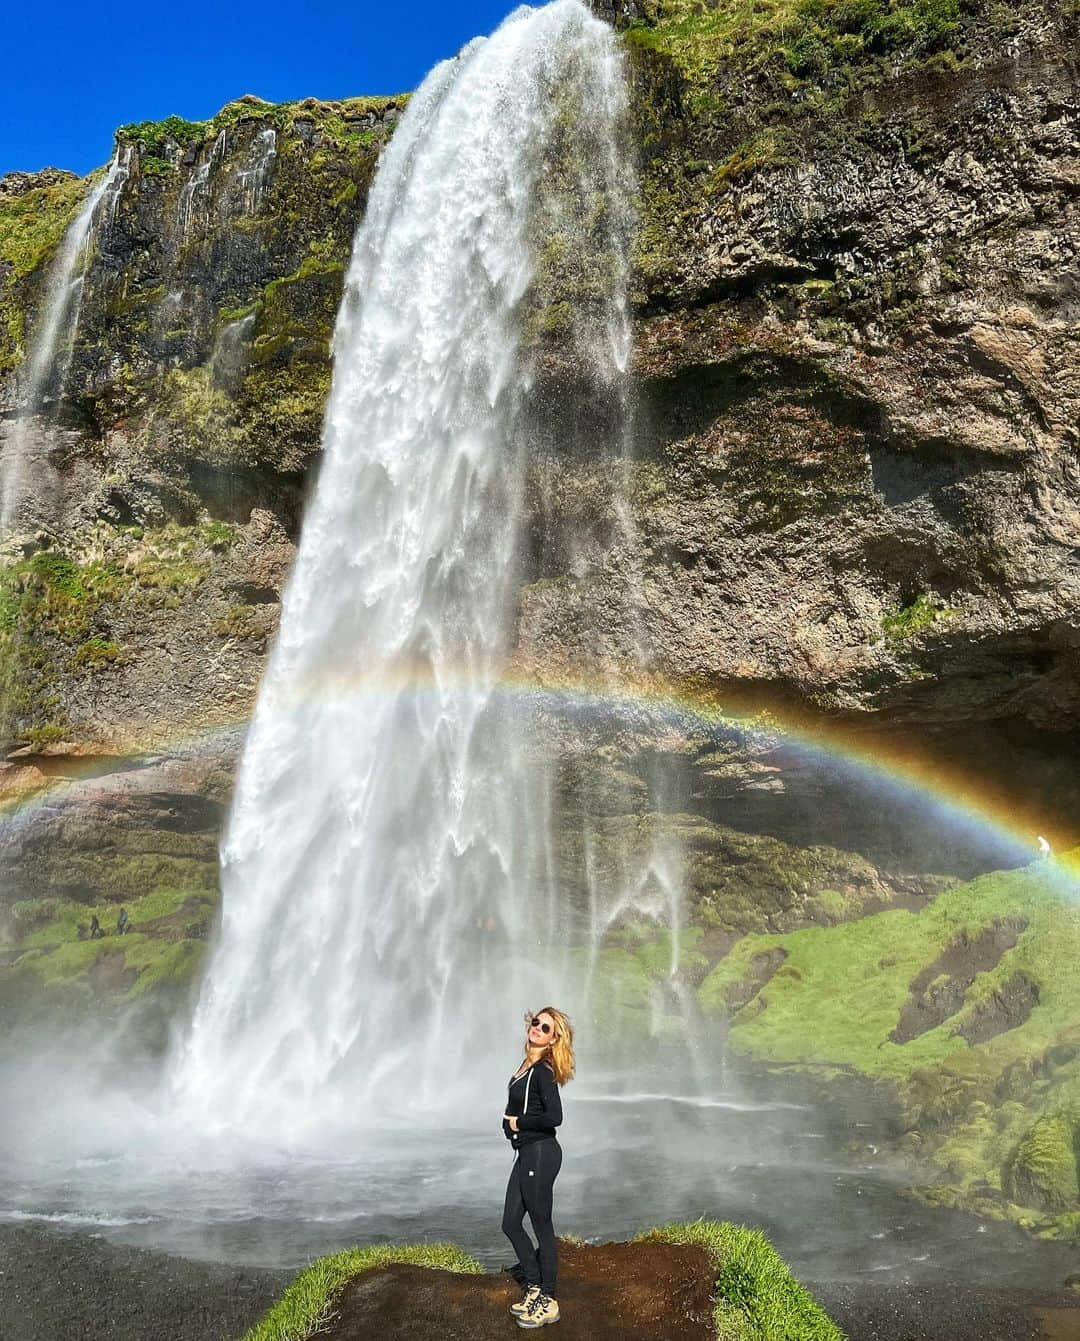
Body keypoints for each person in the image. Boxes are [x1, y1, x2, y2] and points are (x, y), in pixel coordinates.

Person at [501, 1005, 574, 1329]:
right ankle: (533, 1285)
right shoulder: (525, 1066)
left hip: (541, 1154)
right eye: (535, 1023)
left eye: (545, 1028)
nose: (537, 1029)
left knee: (542, 1225)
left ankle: (549, 1299)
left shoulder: (543, 1071)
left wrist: (519, 1122)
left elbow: (554, 1117)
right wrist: (512, 1128)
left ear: (553, 1038)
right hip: (527, 1152)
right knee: (510, 1223)